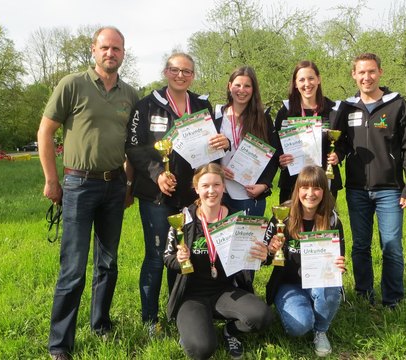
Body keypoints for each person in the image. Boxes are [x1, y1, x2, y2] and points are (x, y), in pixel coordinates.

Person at [37, 26, 139, 360]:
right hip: (78, 185)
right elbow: (45, 132)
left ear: (123, 54)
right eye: (106, 47)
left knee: (108, 264)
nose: (111, 53)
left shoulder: (130, 95)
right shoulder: (72, 84)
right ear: (93, 50)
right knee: (74, 268)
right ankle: (59, 344)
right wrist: (52, 180)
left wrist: (128, 184)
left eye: (118, 49)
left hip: (114, 187)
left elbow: (131, 147)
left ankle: (101, 325)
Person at [125, 53, 229, 336]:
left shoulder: (202, 105)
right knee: (158, 256)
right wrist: (157, 173)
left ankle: (179, 313)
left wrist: (223, 141)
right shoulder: (146, 105)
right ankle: (150, 319)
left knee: (184, 256)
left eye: (187, 71)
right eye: (175, 70)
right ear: (165, 72)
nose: (180, 75)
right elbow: (134, 148)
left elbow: (214, 145)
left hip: (191, 200)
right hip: (157, 197)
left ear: (193, 75)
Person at [335, 53, 406, 308]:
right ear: (354, 75)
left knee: (392, 245)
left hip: (390, 190)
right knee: (360, 245)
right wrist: (336, 154)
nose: (366, 77)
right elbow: (339, 142)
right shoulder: (347, 107)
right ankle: (364, 295)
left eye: (371, 72)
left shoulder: (396, 104)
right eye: (361, 73)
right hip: (356, 189)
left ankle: (392, 299)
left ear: (380, 73)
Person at [164, 163, 273, 360]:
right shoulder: (183, 220)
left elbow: (252, 256)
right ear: (196, 189)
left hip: (225, 291)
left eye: (216, 185)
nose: (211, 191)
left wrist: (265, 255)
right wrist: (179, 260)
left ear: (224, 187)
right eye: (205, 186)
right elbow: (167, 257)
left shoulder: (237, 220)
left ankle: (230, 331)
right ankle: (193, 328)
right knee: (202, 349)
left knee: (262, 316)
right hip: (192, 295)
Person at [265, 166, 346, 357]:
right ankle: (304, 308)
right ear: (297, 190)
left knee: (331, 289)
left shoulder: (332, 220)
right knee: (299, 326)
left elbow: (338, 257)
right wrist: (270, 250)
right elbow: (264, 260)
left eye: (317, 188)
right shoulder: (281, 216)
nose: (310, 194)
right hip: (288, 283)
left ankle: (321, 330)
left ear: (324, 192)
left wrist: (339, 265)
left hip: (318, 280)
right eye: (305, 188)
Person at [274, 60, 343, 203]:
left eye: (311, 78)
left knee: (324, 225)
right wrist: (281, 159)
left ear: (319, 79)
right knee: (291, 225)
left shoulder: (334, 111)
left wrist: (338, 155)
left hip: (324, 182)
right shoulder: (285, 112)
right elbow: (277, 145)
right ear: (295, 83)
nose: (307, 84)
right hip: (292, 182)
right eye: (302, 80)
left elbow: (345, 142)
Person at [215, 66, 279, 217]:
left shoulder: (263, 118)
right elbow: (206, 152)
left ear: (253, 89)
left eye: (247, 86)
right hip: (221, 193)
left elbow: (274, 155)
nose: (241, 90)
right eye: (237, 85)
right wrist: (217, 169)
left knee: (249, 241)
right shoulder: (216, 115)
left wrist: (264, 185)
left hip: (250, 194)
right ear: (229, 86)